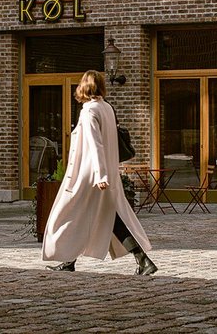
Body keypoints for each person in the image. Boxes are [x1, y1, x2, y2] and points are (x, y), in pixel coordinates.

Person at [41, 69, 157, 277]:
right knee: (106, 217)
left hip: (89, 174)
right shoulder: (107, 108)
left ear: (83, 87)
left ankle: (69, 259)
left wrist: (99, 175)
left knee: (70, 213)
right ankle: (142, 261)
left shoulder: (89, 111)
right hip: (105, 172)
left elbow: (95, 145)